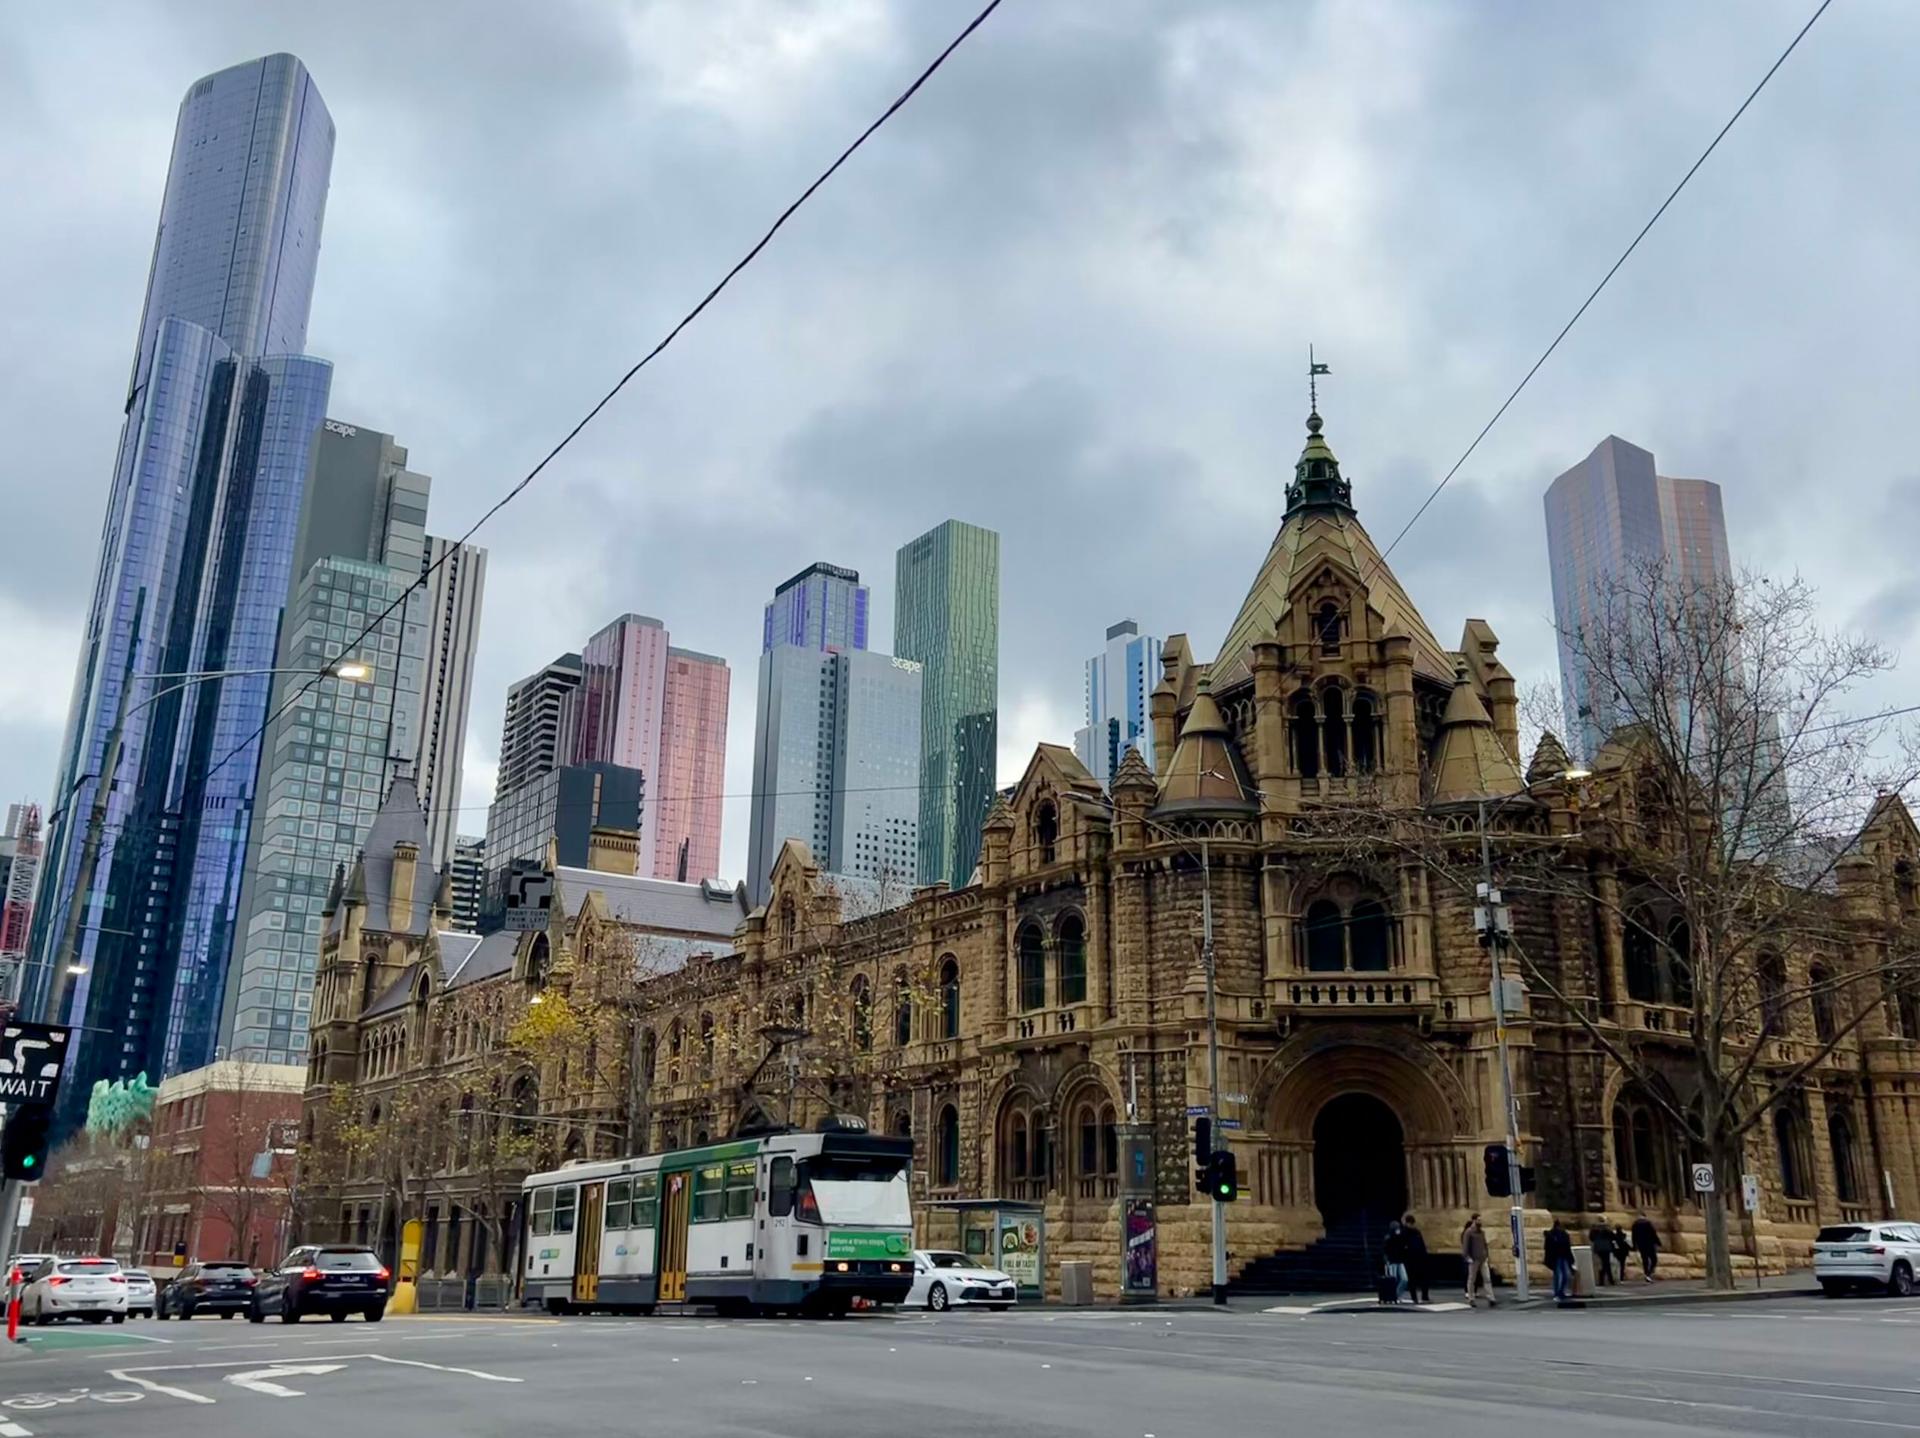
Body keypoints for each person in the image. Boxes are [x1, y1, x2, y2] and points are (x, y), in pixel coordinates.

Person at [1462, 1213, 1495, 1306]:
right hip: (1473, 1259)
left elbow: (1485, 1245)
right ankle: (1471, 1298)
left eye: (1480, 1220)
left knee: (1487, 1278)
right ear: (1473, 1220)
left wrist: (1487, 1256)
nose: (1480, 1221)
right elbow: (1465, 1246)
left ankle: (1491, 1297)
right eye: (1478, 1220)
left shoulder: (1482, 1232)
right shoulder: (1469, 1232)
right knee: (1472, 1279)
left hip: (1482, 1258)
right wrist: (1467, 1257)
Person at [1401, 1213, 1431, 1304]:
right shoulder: (1404, 1233)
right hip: (1410, 1259)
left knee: (1422, 1278)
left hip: (1418, 1258)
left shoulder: (1416, 1232)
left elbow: (1421, 1245)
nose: (1411, 1225)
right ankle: (1415, 1297)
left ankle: (1424, 1296)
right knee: (1412, 1279)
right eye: (1410, 1223)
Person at [1544, 1219, 1575, 1302]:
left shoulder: (1557, 1234)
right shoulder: (1554, 1235)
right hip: (1558, 1256)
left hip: (1561, 1256)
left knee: (1562, 1275)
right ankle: (1558, 1292)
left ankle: (1559, 1292)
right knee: (1560, 1275)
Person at [1381, 1220, 1409, 1304]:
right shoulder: (1388, 1238)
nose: (1398, 1230)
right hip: (1392, 1261)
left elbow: (1404, 1247)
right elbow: (1385, 1250)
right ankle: (1393, 1296)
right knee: (1393, 1280)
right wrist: (1386, 1260)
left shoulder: (1401, 1237)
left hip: (1400, 1260)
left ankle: (1397, 1294)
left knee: (1404, 1279)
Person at [1630, 1213, 1661, 1282]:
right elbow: (1653, 1233)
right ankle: (1649, 1273)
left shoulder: (1635, 1225)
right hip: (1649, 1244)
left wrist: (1634, 1245)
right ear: (1644, 1217)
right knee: (1654, 1259)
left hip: (1641, 1244)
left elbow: (1633, 1236)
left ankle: (1646, 1273)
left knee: (1645, 1259)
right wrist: (1658, 1242)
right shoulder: (1648, 1223)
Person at [1588, 1219, 1616, 1285]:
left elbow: (1591, 1238)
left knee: (1604, 1264)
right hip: (1606, 1248)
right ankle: (1609, 1280)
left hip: (1599, 1248)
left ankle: (1603, 1280)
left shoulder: (1595, 1230)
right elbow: (1613, 1237)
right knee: (1606, 1263)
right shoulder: (1606, 1230)